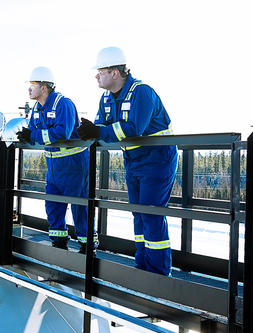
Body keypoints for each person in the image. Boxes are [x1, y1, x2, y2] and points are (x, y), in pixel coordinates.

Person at [77, 47, 176, 276]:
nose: (96, 75)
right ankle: (142, 267)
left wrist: (99, 132)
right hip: (133, 160)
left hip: (158, 159)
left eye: (100, 71)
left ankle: (159, 274)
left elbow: (133, 128)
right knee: (138, 214)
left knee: (151, 214)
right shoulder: (106, 98)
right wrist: (90, 131)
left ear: (115, 73)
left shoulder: (141, 92)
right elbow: (101, 127)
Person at [16, 67, 95, 253]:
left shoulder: (63, 104)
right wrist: (28, 136)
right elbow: (36, 131)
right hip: (53, 167)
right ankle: (59, 243)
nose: (29, 89)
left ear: (44, 87)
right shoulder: (37, 108)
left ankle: (87, 246)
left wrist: (33, 134)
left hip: (73, 164)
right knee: (53, 205)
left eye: (32, 85)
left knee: (79, 206)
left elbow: (62, 133)